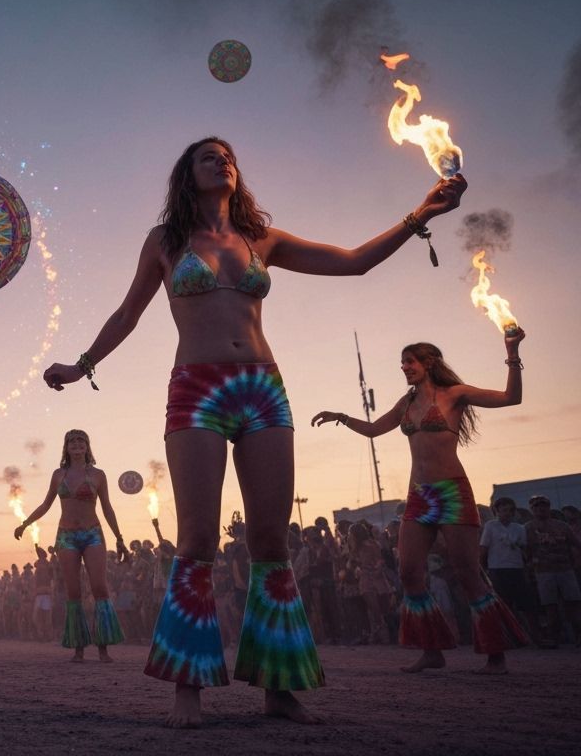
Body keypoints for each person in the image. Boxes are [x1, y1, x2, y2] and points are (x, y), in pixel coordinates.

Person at [44, 136, 467, 726]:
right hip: (197, 390)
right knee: (196, 539)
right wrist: (81, 365)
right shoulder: (166, 241)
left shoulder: (262, 239)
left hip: (264, 389)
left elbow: (355, 261)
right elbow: (127, 313)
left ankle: (279, 683)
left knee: (271, 541)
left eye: (228, 155)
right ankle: (187, 683)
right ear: (187, 175)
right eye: (206, 155)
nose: (222, 160)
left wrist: (421, 214)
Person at [313, 335, 528, 673]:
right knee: (409, 572)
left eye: (410, 361)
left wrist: (512, 353)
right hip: (420, 496)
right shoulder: (407, 402)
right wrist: (341, 416)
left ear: (428, 362)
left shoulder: (454, 395)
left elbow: (510, 398)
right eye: (402, 363)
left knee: (467, 573)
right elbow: (373, 429)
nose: (404, 368)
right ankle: (432, 650)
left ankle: (495, 651)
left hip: (452, 491)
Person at [15, 429, 130, 661]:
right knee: (73, 591)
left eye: (81, 441)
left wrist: (119, 538)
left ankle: (103, 646)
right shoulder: (59, 475)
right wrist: (25, 523)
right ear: (66, 448)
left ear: (87, 447)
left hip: (93, 534)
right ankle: (78, 647)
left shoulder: (98, 475)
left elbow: (107, 507)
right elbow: (46, 504)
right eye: (72, 441)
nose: (77, 444)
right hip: (66, 537)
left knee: (99, 587)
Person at [525, 495, 581, 648]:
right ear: (532, 509)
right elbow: (524, 551)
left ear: (549, 507)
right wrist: (528, 570)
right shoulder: (528, 528)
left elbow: (576, 545)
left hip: (565, 570)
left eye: (543, 506)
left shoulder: (562, 526)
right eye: (536, 506)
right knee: (550, 605)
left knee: (573, 603)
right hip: (543, 572)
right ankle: (555, 638)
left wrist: (576, 563)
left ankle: (578, 635)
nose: (540, 509)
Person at [478, 497, 535, 640]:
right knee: (504, 604)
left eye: (510, 510)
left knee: (526, 604)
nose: (507, 513)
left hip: (516, 568)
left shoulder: (519, 528)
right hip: (497, 568)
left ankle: (533, 635)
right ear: (497, 511)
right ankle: (506, 636)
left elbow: (525, 549)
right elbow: (484, 548)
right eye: (504, 510)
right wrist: (483, 568)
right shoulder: (490, 526)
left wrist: (527, 564)